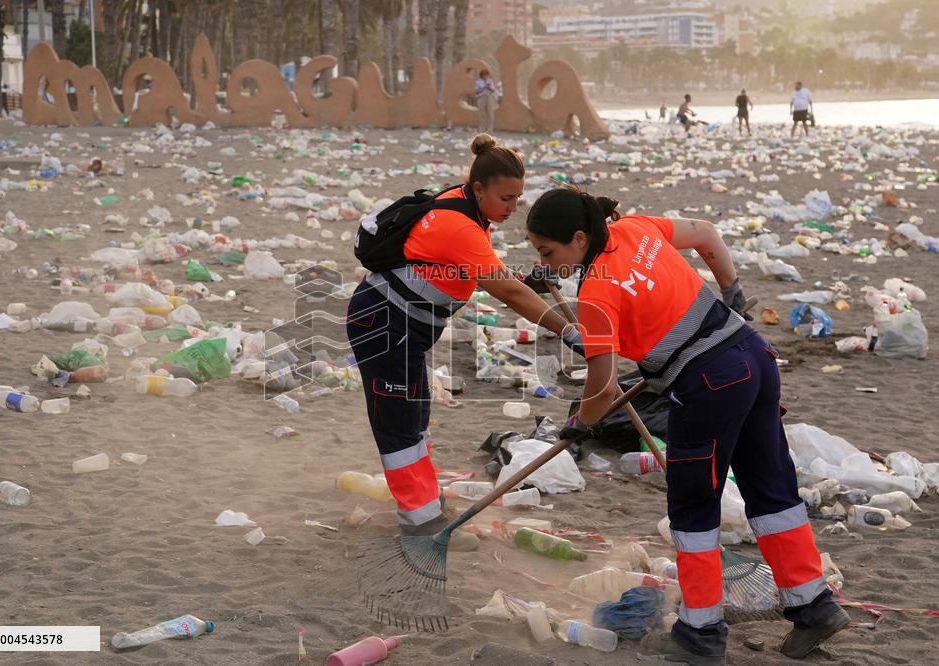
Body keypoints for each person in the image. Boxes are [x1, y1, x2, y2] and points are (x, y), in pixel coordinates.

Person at [525, 186, 849, 665]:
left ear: (578, 237)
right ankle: (813, 607)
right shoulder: (635, 227)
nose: (546, 263)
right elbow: (707, 235)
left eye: (548, 252)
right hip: (755, 359)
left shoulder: (595, 288)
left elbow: (605, 384)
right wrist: (731, 289)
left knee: (694, 509)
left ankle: (699, 634)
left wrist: (580, 425)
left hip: (711, 384)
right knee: (772, 493)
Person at [345, 135, 583, 548]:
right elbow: (504, 292)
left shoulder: (469, 213)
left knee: (415, 416)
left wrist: (535, 284)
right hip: (384, 323)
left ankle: (427, 507)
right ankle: (420, 523)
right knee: (399, 424)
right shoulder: (458, 224)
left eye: (518, 197)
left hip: (404, 327)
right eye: (506, 198)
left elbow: (485, 276)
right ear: (478, 189)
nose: (514, 207)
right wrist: (567, 330)